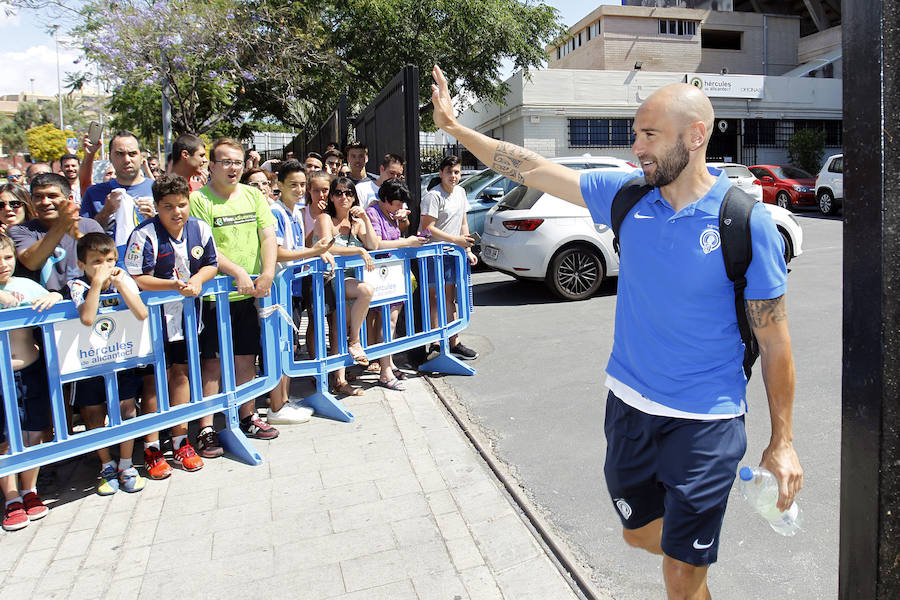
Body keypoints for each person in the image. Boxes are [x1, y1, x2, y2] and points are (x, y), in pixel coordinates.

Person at [430, 64, 803, 599]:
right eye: (635, 133)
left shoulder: (745, 222)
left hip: (706, 419)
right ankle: (688, 551)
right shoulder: (628, 197)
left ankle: (688, 558)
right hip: (628, 404)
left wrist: (782, 442)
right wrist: (456, 129)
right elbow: (531, 168)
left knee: (679, 571)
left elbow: (774, 339)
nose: (637, 146)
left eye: (649, 134)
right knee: (639, 535)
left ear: (695, 136)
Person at [190, 137, 280, 454]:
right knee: (211, 365)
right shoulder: (198, 200)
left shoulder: (253, 195)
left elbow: (268, 236)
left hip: (246, 298)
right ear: (211, 166)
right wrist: (238, 272)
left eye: (238, 162)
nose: (232, 168)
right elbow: (205, 247)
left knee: (245, 358)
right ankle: (205, 428)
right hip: (214, 299)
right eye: (225, 162)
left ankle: (248, 416)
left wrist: (266, 272)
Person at [125, 174, 218, 477]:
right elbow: (136, 277)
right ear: (156, 206)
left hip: (189, 320)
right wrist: (171, 285)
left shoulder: (200, 229)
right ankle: (152, 448)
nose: (177, 212)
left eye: (181, 205)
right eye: (168, 206)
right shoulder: (144, 235)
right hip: (153, 323)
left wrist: (196, 280)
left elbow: (211, 264)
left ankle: (180, 441)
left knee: (181, 374)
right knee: (154, 381)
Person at [66, 233, 149, 495]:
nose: (105, 266)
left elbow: (142, 312)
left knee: (126, 409)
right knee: (93, 414)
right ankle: (106, 465)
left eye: (110, 260)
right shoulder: (77, 285)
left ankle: (126, 464)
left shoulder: (122, 278)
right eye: (97, 262)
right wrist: (98, 284)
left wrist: (122, 285)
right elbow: (88, 317)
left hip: (120, 358)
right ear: (82, 265)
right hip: (88, 361)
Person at [0, 233, 64, 531]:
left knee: (33, 432)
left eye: (8, 257)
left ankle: (30, 490)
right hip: (2, 378)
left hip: (29, 370)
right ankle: (11, 498)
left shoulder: (24, 284)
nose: (3, 264)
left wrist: (53, 296)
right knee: (4, 439)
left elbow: (56, 297)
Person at [268, 160, 335, 423]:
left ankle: (284, 399)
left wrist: (317, 251)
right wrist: (314, 251)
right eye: (292, 185)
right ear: (279, 185)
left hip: (293, 286)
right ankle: (276, 405)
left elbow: (299, 247)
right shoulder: (275, 212)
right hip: (280, 287)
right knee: (281, 344)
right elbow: (278, 253)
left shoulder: (295, 213)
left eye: (301, 185)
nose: (298, 189)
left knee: (289, 344)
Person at [313, 177, 378, 396]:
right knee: (363, 293)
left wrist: (366, 219)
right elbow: (326, 246)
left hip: (349, 279)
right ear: (331, 196)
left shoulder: (356, 222)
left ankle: (340, 379)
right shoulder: (325, 219)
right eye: (339, 193)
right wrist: (358, 251)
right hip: (328, 279)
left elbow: (373, 245)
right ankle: (355, 342)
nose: (344, 197)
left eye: (349, 193)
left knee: (339, 327)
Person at [364, 178, 425, 390]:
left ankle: (387, 364)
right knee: (387, 321)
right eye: (398, 203)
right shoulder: (372, 213)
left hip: (392, 272)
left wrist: (401, 221)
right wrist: (407, 242)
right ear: (386, 199)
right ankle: (384, 370)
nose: (401, 207)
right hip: (382, 274)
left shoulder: (389, 213)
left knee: (390, 320)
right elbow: (377, 244)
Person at [419, 155, 478, 361]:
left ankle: (454, 342)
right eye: (449, 172)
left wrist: (468, 249)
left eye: (457, 172)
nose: (453, 176)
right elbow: (427, 228)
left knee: (450, 297)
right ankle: (435, 343)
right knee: (434, 299)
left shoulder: (461, 192)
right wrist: (454, 239)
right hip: (433, 254)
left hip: (454, 254)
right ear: (441, 173)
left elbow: (463, 222)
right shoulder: (433, 197)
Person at [9, 173, 103, 292]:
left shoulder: (89, 226)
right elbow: (30, 262)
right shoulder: (21, 230)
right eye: (38, 196)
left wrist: (79, 237)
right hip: (42, 305)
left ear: (69, 199)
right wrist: (61, 226)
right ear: (31, 199)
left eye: (52, 196)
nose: (45, 202)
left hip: (85, 300)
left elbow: (104, 263)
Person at [80, 131, 155, 247]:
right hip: (109, 262)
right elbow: (84, 237)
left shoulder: (159, 189)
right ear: (110, 157)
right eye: (120, 154)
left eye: (132, 153)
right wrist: (106, 212)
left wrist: (154, 220)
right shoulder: (94, 193)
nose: (127, 159)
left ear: (141, 157)